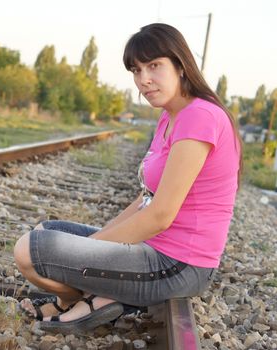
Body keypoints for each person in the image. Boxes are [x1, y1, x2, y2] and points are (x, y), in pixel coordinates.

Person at [13, 22, 242, 333]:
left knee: (28, 250)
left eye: (154, 66)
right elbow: (145, 198)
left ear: (181, 65)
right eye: (136, 70)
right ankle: (88, 299)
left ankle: (89, 300)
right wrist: (94, 245)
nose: (143, 80)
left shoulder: (200, 117)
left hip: (178, 265)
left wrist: (90, 250)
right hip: (153, 251)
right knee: (46, 230)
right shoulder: (170, 116)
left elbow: (160, 215)